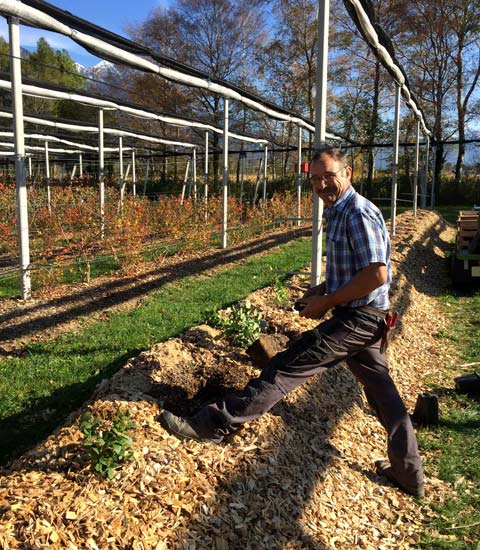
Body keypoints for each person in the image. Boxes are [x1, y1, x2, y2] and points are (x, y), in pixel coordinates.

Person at [160, 146, 424, 497]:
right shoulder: (339, 210)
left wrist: (328, 301)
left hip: (358, 319)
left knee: (284, 367)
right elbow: (353, 269)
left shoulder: (357, 213)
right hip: (368, 318)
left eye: (329, 175)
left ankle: (213, 425)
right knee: (384, 396)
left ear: (347, 173)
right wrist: (320, 289)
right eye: (315, 178)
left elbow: (376, 275)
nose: (322, 184)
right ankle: (409, 473)